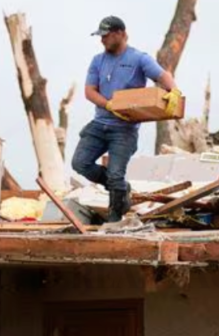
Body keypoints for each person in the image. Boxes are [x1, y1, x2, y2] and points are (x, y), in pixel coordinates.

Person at [71, 16, 182, 222]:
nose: (102, 40)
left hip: (124, 129)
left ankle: (114, 217)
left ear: (121, 34)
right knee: (80, 163)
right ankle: (122, 189)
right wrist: (108, 104)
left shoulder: (139, 58)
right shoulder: (98, 60)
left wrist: (174, 91)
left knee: (115, 174)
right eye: (100, 36)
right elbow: (89, 91)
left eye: (106, 36)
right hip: (99, 124)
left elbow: (162, 76)